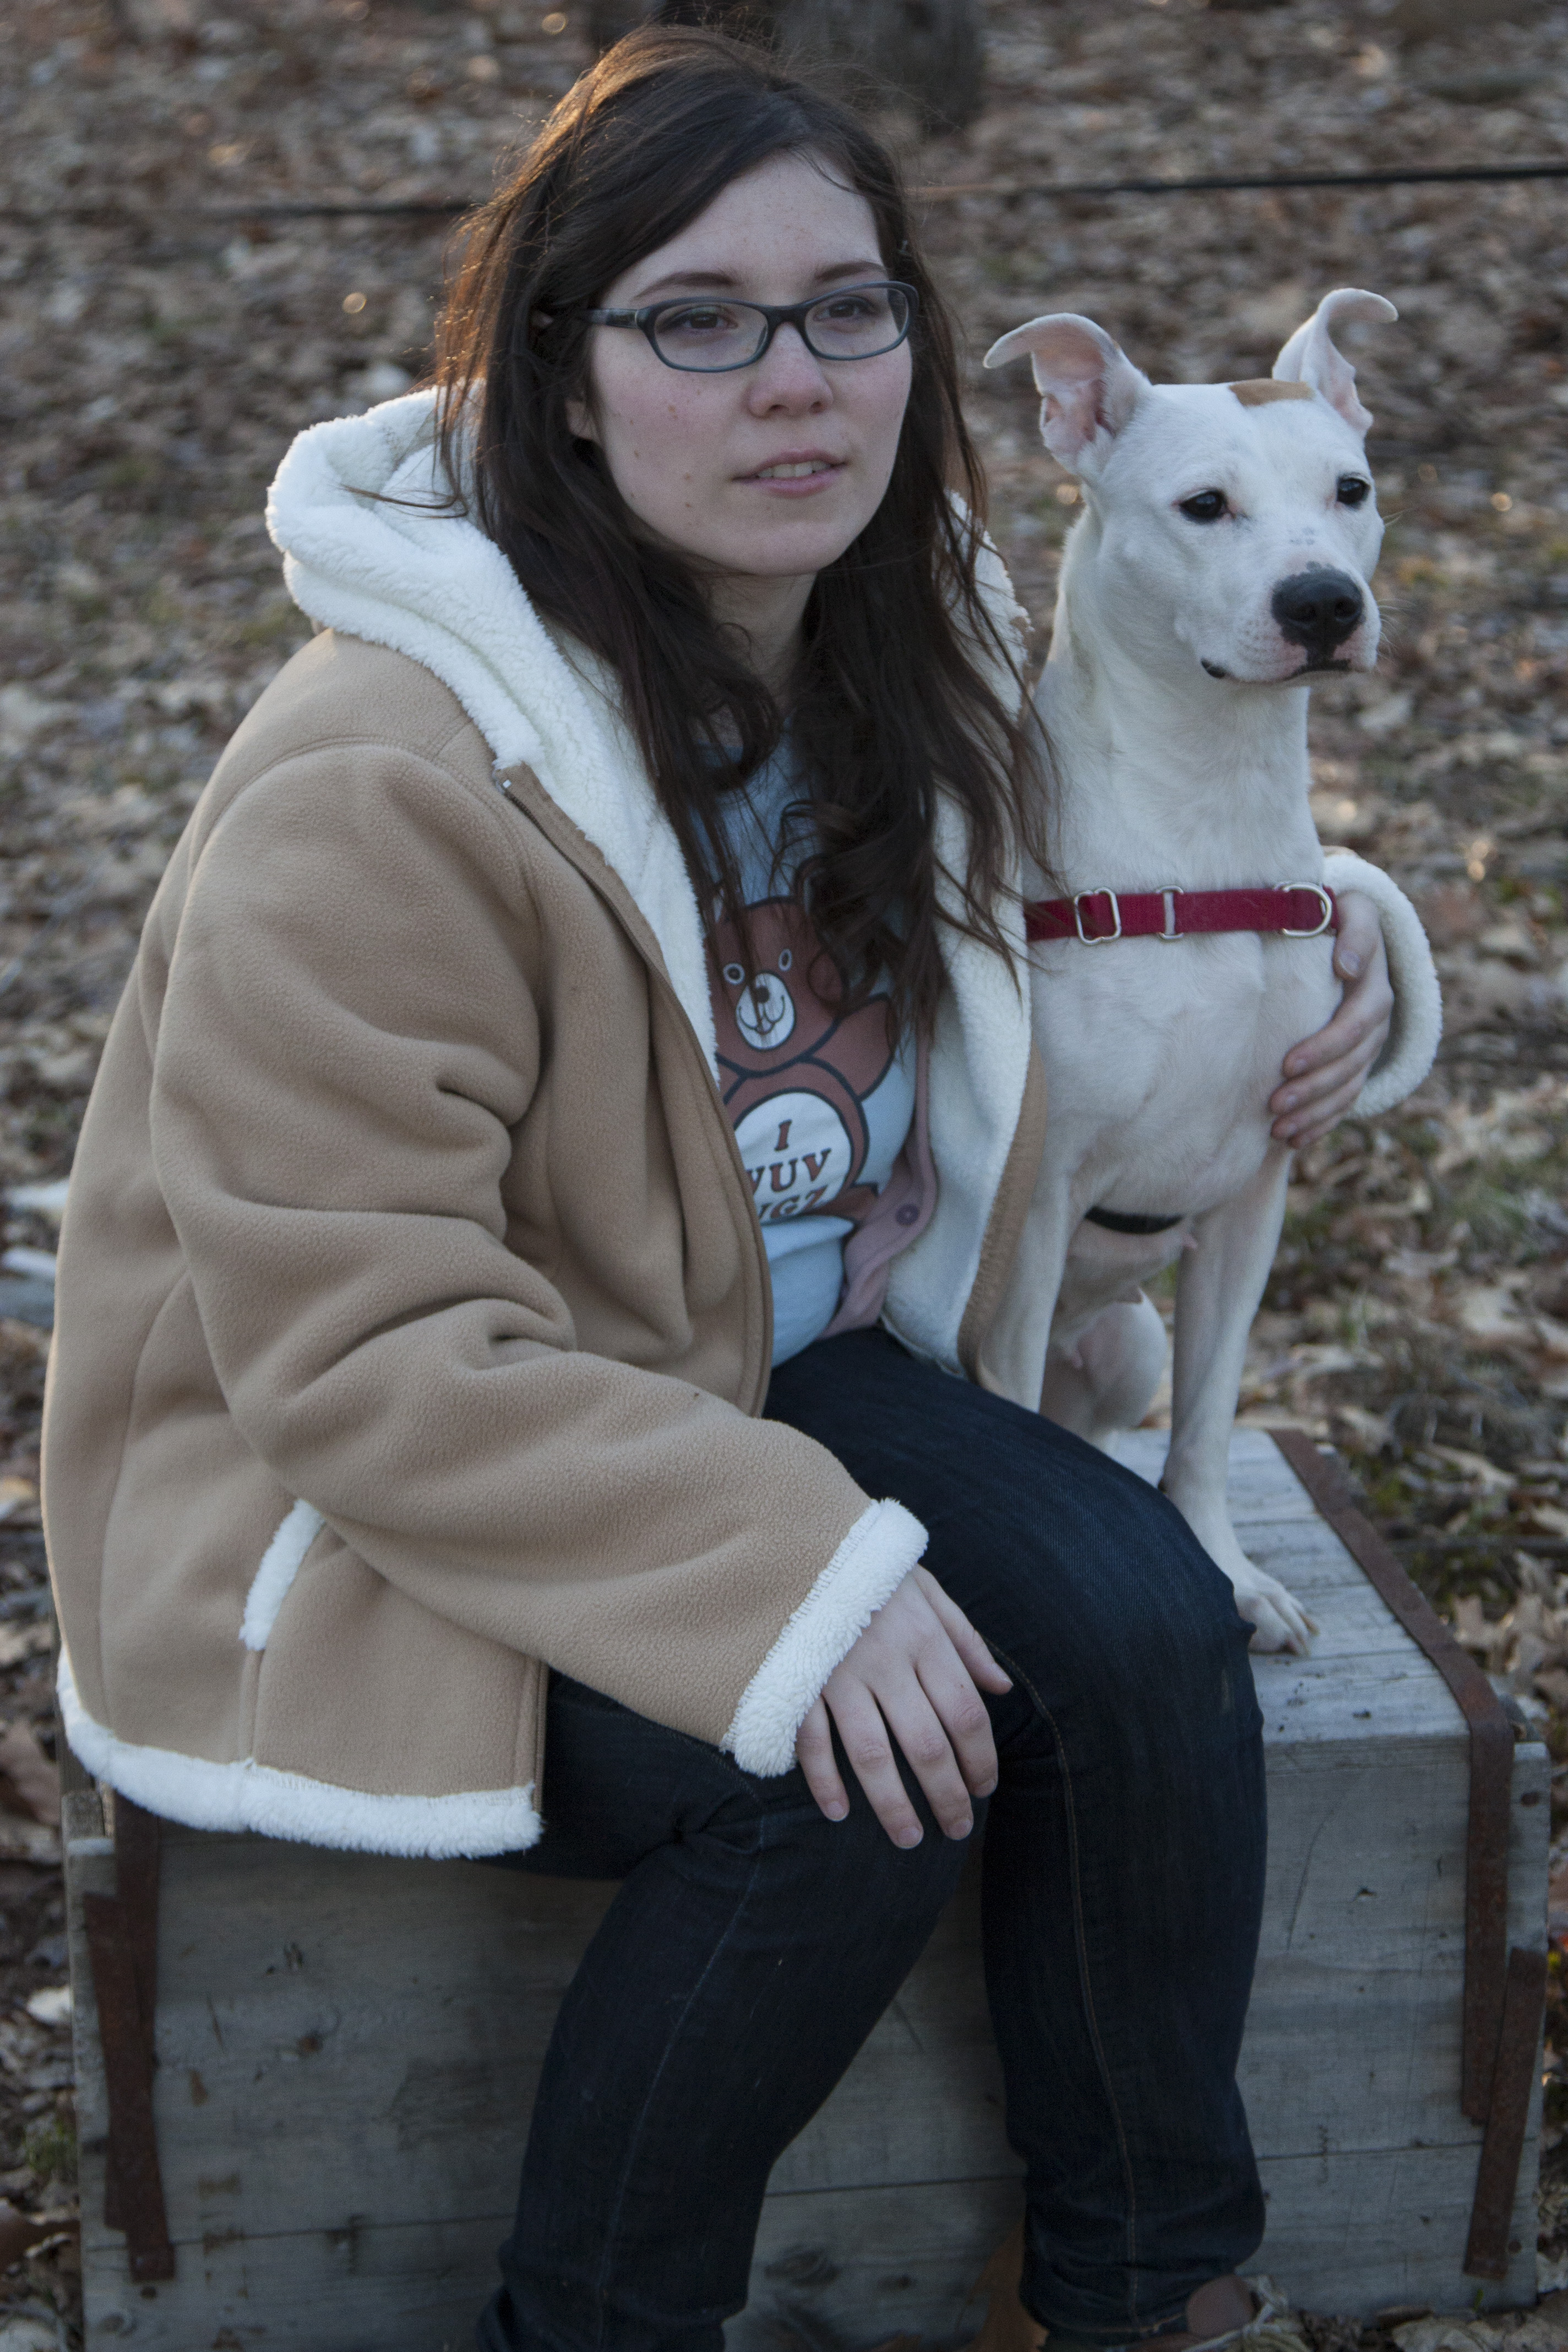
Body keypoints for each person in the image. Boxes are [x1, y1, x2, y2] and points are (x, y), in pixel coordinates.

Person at [44, 26, 1427, 2352]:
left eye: (845, 308)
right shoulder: (384, 777)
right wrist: (787, 1569)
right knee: (847, 1760)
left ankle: (1149, 2289)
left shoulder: (896, 646)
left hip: (759, 1340)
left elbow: (1132, 847)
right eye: (698, 319)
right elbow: (360, 1357)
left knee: (1147, 1629)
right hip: (399, 1464)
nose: (792, 380)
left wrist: (1347, 943)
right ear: (562, 380)